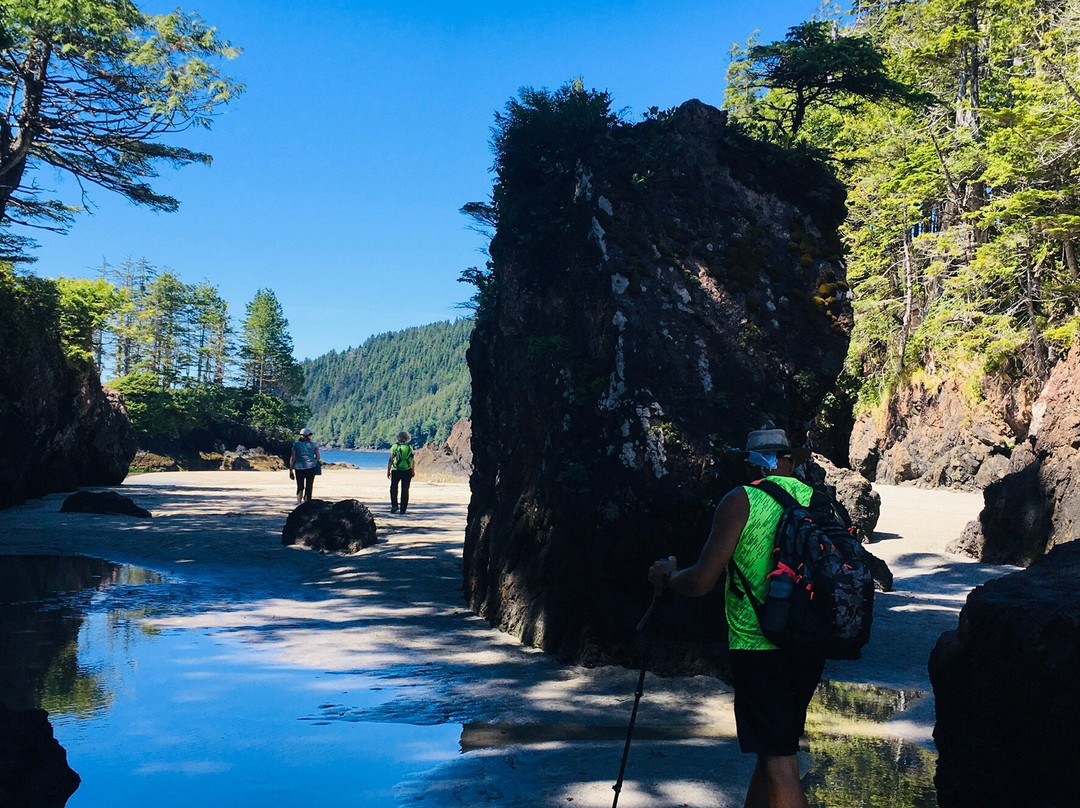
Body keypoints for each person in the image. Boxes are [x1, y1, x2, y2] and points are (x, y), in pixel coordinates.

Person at [648, 428, 819, 808]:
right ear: (791, 460)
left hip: (759, 647)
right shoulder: (820, 501)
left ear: (751, 465)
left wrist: (667, 577)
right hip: (810, 643)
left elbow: (701, 581)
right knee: (772, 747)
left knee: (780, 762)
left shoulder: (742, 500)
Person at [288, 427, 322, 504]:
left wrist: (290, 470)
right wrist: (313, 462)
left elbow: (293, 457)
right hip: (311, 467)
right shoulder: (314, 445)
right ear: (308, 436)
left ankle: (299, 503)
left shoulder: (296, 445)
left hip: (298, 468)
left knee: (300, 486)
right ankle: (307, 503)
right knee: (309, 486)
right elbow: (318, 457)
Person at [387, 430, 415, 513]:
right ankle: (403, 509)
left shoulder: (395, 446)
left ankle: (394, 506)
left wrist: (388, 470)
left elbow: (391, 459)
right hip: (407, 470)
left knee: (393, 488)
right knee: (405, 489)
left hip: (396, 470)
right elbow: (413, 460)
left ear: (398, 438)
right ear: (407, 438)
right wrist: (413, 471)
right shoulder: (410, 447)